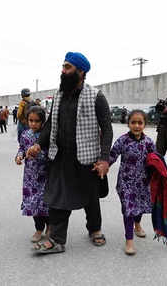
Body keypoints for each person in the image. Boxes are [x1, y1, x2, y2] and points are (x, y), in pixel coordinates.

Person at [28, 52, 113, 254]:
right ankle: (57, 240)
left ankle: (95, 229)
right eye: (63, 66)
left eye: (67, 67)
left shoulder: (96, 96)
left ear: (80, 71)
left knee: (90, 196)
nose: (63, 71)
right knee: (58, 196)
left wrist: (103, 159)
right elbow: (50, 125)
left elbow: (107, 129)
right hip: (61, 155)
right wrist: (39, 144)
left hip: (87, 156)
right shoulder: (58, 95)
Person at [109, 110, 155, 255]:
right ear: (128, 124)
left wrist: (158, 176)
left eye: (140, 123)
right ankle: (129, 240)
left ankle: (138, 224)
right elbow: (112, 155)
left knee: (140, 207)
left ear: (144, 125)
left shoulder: (148, 142)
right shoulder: (122, 140)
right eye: (133, 122)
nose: (136, 126)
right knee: (129, 209)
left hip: (143, 182)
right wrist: (103, 167)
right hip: (126, 183)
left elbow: (155, 160)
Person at [15, 106, 49, 243]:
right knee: (33, 203)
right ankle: (39, 229)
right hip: (30, 177)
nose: (33, 124)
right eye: (31, 120)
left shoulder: (47, 136)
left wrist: (38, 152)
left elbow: (51, 153)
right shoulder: (25, 135)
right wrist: (19, 156)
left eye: (37, 121)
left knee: (46, 203)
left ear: (43, 121)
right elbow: (21, 148)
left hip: (46, 175)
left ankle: (50, 227)